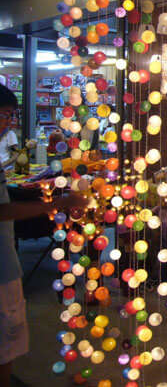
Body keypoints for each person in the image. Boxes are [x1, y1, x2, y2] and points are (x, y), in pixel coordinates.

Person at [0, 85, 87, 385]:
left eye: (11, 116)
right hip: (2, 268)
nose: (8, 123)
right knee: (6, 341)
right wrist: (56, 204)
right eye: (6, 115)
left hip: (7, 263)